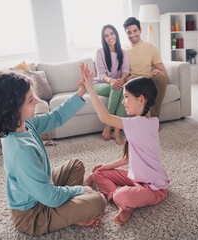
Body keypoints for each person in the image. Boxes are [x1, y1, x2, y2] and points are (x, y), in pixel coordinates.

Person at [0, 70, 106, 236]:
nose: (37, 101)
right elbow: (50, 198)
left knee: (75, 165)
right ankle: (72, 213)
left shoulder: (24, 125)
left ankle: (70, 209)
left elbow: (56, 117)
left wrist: (82, 91)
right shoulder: (21, 151)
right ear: (12, 109)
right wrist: (79, 189)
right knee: (98, 202)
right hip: (32, 215)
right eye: (30, 100)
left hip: (40, 193)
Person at [79, 63, 170, 226]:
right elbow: (130, 157)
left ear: (141, 99)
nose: (123, 102)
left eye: (127, 97)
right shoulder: (149, 121)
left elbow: (105, 118)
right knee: (99, 172)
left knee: (122, 195)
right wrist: (108, 166)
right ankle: (125, 201)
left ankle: (124, 201)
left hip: (154, 188)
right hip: (137, 177)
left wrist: (90, 88)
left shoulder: (139, 123)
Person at [123, 17, 168, 118]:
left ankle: (153, 119)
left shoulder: (151, 48)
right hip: (132, 79)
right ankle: (141, 119)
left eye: (135, 31)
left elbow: (163, 72)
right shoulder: (124, 51)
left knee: (161, 78)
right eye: (129, 32)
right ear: (126, 34)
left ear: (140, 30)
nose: (132, 34)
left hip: (148, 80)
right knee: (134, 81)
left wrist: (158, 71)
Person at [93, 24, 129, 145]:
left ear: (116, 35)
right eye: (106, 35)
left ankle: (116, 131)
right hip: (100, 84)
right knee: (117, 88)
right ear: (103, 39)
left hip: (116, 84)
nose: (110, 37)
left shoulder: (123, 52)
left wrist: (122, 79)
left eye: (112, 33)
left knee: (124, 91)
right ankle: (109, 125)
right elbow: (101, 74)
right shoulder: (100, 52)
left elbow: (125, 70)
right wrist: (111, 81)